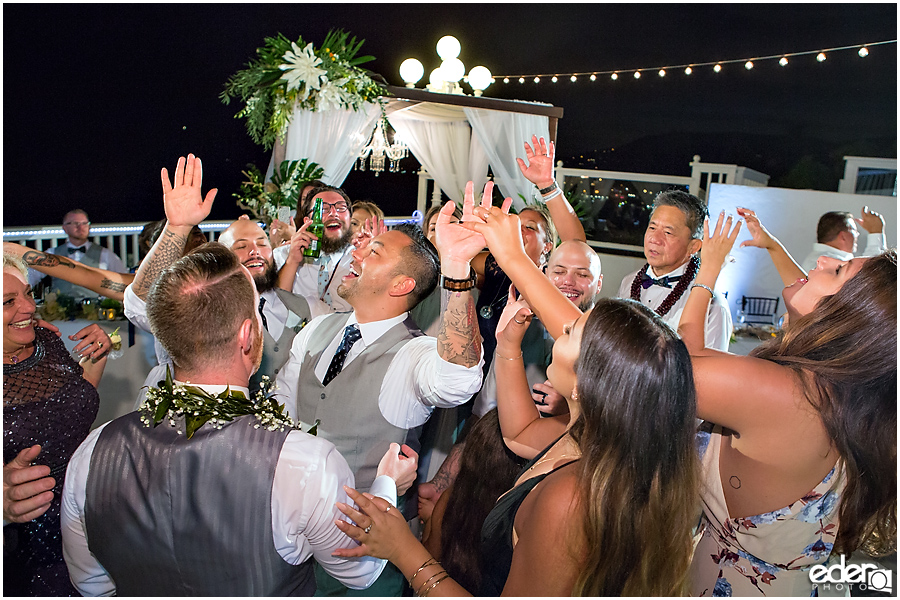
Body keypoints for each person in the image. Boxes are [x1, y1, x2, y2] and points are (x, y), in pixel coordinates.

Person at [332, 201, 700, 595]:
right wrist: (509, 344)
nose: (563, 326)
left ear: (584, 385)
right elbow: (520, 433)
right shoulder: (602, 439)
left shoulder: (569, 499)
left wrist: (405, 550)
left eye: (572, 332)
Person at [60, 243, 418, 596]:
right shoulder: (305, 463)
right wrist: (387, 484)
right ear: (249, 335)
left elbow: (92, 584)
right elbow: (358, 570)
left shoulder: (92, 452)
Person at [274, 182, 491, 596]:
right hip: (291, 544)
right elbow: (281, 416)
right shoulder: (318, 329)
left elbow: (458, 379)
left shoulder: (412, 355)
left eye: (372, 252)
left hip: (366, 565)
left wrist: (458, 269)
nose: (355, 251)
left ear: (400, 285)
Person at [677, 208, 896, 596]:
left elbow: (681, 364)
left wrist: (707, 271)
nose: (822, 260)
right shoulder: (846, 391)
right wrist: (771, 245)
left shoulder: (784, 393)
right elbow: (805, 291)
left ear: (844, 321)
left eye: (838, 271)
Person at [123, 155, 313, 398]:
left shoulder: (300, 306)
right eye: (242, 246)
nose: (254, 251)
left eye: (262, 243)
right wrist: (178, 226)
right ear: (225, 258)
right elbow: (138, 304)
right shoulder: (196, 301)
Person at [3, 252, 111, 596]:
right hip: (28, 548)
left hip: (91, 524)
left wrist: (96, 358)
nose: (28, 308)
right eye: (8, 301)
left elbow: (64, 412)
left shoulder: (45, 342)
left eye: (27, 295)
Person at [474, 135, 586, 377]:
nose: (520, 230)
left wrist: (547, 185)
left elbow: (576, 244)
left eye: (531, 228)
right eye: (518, 224)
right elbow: (450, 262)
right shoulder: (493, 264)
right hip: (480, 374)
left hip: (530, 377)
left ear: (548, 246)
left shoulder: (553, 277)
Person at [616, 189, 732, 351]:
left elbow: (713, 369)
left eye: (668, 232)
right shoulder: (629, 282)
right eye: (652, 228)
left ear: (693, 246)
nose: (655, 239)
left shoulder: (712, 304)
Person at [6, 221, 207, 303]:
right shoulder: (148, 287)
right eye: (187, 235)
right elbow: (80, 272)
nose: (198, 237)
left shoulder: (224, 277)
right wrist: (8, 249)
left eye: (198, 232)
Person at [276, 184, 356, 313]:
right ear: (308, 220)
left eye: (341, 208)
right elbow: (276, 306)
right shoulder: (283, 255)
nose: (333, 213)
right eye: (323, 209)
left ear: (350, 218)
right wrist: (292, 262)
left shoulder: (359, 257)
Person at [28, 209, 128, 300]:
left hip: (93, 312)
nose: (81, 227)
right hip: (60, 314)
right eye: (75, 223)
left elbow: (124, 279)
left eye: (84, 223)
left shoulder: (105, 254)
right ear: (65, 228)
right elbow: (30, 277)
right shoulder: (53, 253)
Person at [799, 207, 887, 273]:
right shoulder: (823, 263)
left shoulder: (823, 260)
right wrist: (876, 232)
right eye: (854, 230)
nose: (857, 234)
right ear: (843, 236)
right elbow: (868, 275)